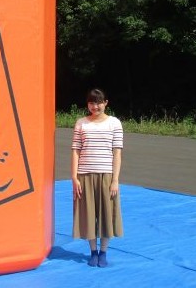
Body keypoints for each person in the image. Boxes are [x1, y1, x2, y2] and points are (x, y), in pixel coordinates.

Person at [71, 88, 124, 268]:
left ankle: (103, 252)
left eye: (99, 102)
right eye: (92, 103)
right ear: (88, 105)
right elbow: (76, 151)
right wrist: (74, 177)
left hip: (106, 175)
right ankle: (93, 252)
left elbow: (117, 153)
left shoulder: (114, 123)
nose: (95, 106)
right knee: (88, 215)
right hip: (84, 175)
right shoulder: (81, 123)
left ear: (106, 103)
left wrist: (115, 180)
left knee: (106, 215)